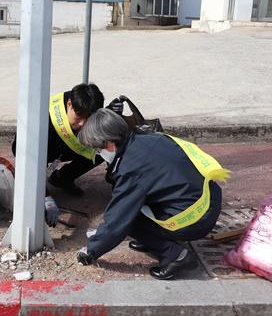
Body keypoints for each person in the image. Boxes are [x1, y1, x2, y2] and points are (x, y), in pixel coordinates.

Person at [75, 108, 228, 280]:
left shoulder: (131, 167)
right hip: (206, 198)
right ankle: (152, 239)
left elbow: (117, 219)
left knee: (129, 221)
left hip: (196, 218)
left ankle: (176, 256)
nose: (99, 154)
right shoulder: (149, 139)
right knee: (135, 208)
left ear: (110, 144)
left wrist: (92, 250)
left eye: (97, 150)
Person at [11, 83, 105, 226]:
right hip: (40, 149)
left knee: (102, 149)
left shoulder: (83, 103)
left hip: (67, 147)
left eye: (88, 118)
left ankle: (61, 179)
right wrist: (46, 197)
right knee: (34, 183)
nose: (82, 124)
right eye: (79, 116)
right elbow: (28, 160)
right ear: (69, 104)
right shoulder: (45, 119)